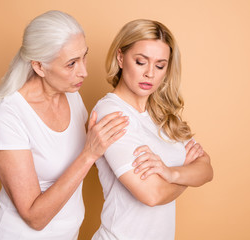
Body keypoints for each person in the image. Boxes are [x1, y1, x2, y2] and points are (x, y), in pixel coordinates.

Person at [0, 10, 128, 240]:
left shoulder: (71, 93)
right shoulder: (8, 114)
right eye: (71, 63)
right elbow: (35, 217)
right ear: (39, 66)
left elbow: (94, 153)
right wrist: (89, 154)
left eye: (84, 56)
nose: (83, 71)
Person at [91, 19, 213, 240]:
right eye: (140, 62)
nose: (150, 73)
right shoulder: (111, 112)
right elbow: (151, 194)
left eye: (159, 65)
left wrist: (171, 173)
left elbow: (206, 170)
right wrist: (186, 173)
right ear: (120, 57)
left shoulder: (163, 115)